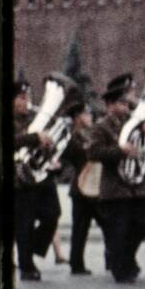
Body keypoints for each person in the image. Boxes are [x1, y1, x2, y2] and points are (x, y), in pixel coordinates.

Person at [85, 73, 145, 283]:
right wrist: (120, 150)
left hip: (136, 185)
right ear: (110, 105)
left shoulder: (135, 124)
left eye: (127, 103)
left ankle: (127, 258)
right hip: (115, 187)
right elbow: (94, 152)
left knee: (143, 222)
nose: (127, 107)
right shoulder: (102, 126)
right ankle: (120, 269)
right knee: (119, 229)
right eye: (122, 103)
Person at [12, 78, 65, 282]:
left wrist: (50, 152)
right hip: (20, 180)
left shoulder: (35, 118)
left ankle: (30, 246)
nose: (27, 101)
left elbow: (43, 145)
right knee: (24, 222)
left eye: (29, 96)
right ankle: (27, 266)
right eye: (22, 97)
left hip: (42, 177)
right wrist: (35, 138)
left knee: (53, 214)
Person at [60, 103, 99, 276]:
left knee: (108, 224)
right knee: (80, 227)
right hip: (81, 186)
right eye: (86, 114)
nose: (90, 117)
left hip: (97, 186)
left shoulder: (93, 134)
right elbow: (72, 155)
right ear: (77, 118)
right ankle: (77, 263)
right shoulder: (72, 137)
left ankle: (113, 259)